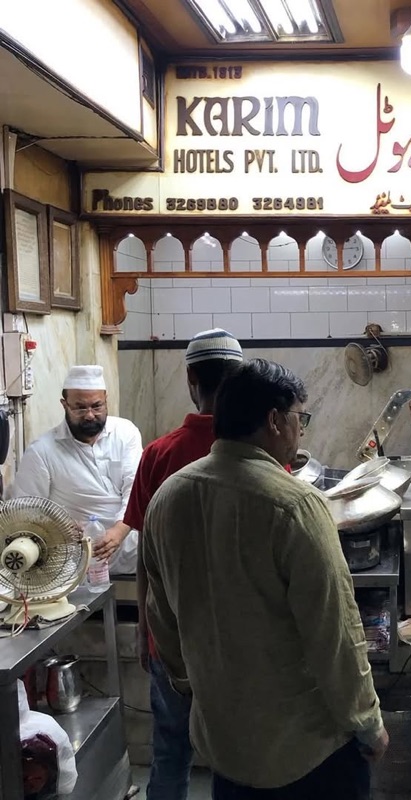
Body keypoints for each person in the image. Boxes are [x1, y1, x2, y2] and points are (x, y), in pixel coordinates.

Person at [141, 359, 388, 800]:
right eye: (300, 418)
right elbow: (335, 631)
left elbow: (161, 617)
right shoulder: (294, 505)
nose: (302, 431)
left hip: (226, 746)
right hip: (306, 749)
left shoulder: (167, 497)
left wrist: (188, 687)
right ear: (275, 420)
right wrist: (367, 721)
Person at [124, 329, 243, 800]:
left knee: (170, 747)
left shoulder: (158, 454)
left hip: (169, 634)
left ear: (191, 379)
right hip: (239, 636)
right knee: (237, 751)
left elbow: (145, 555)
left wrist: (142, 628)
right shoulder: (261, 452)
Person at [10, 365, 142, 574]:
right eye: (80, 408)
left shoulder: (126, 433)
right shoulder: (43, 450)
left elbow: (135, 488)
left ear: (106, 400)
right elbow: (24, 509)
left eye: (97, 406)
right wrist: (57, 527)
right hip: (75, 557)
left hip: (130, 544)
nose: (90, 415)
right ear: (65, 405)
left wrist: (119, 530)